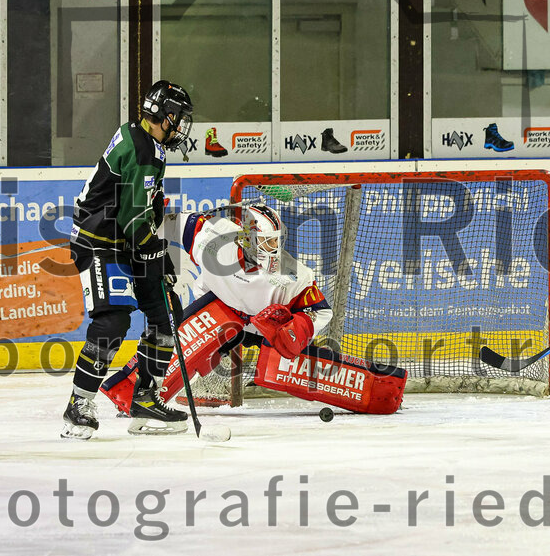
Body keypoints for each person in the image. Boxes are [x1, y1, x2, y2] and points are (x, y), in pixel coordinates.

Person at [100, 205, 407, 415]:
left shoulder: (291, 274)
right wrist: (137, 233)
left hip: (264, 327)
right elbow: (172, 223)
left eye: (275, 242)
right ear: (246, 238)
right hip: (220, 310)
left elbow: (320, 310)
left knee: (288, 365)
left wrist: (293, 331)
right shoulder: (212, 241)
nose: (272, 250)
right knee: (187, 345)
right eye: (265, 242)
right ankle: (131, 393)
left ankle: (381, 389)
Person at [62, 80, 194, 439]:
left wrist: (158, 253)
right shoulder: (141, 148)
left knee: (166, 312)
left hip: (127, 239)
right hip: (100, 241)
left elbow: (145, 207)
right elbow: (131, 217)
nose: (181, 124)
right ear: (165, 115)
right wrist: (152, 247)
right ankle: (78, 405)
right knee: (113, 322)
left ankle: (146, 400)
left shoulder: (149, 142)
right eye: (179, 117)